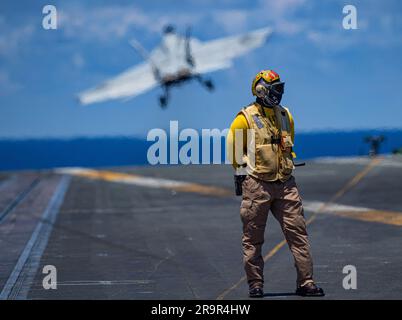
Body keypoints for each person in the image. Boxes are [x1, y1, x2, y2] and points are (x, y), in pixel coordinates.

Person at [227, 70, 325, 298]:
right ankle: (255, 284)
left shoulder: (285, 115)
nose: (278, 93)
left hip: (285, 184)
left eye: (280, 88)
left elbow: (288, 144)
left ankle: (306, 282)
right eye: (275, 88)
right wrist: (242, 174)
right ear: (261, 89)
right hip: (257, 185)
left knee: (298, 233)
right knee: (252, 238)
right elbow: (234, 148)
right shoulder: (245, 118)